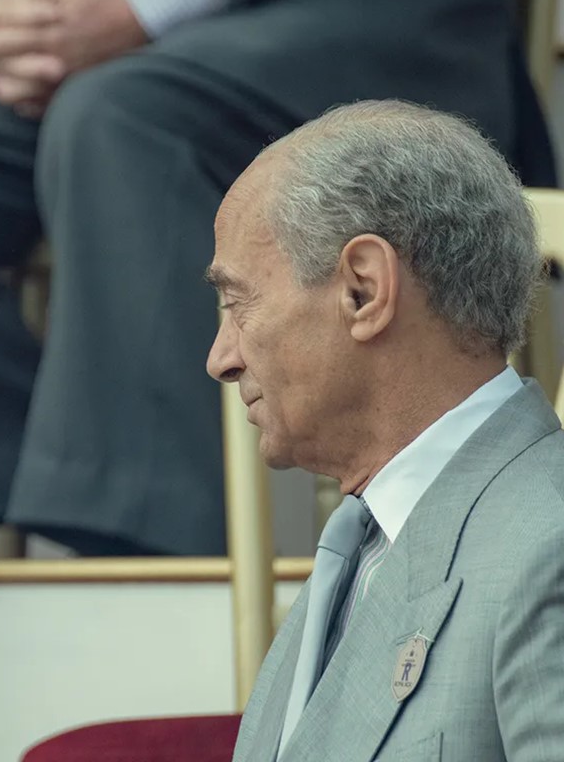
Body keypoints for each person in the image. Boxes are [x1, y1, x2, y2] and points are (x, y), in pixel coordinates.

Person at [0, 0, 551, 557]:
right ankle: (75, 475)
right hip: (95, 46)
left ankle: (144, 555)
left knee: (118, 119)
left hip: (354, 8)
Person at [207, 101, 564, 761]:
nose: (221, 358)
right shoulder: (360, 543)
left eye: (237, 303)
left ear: (364, 291)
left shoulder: (549, 548)